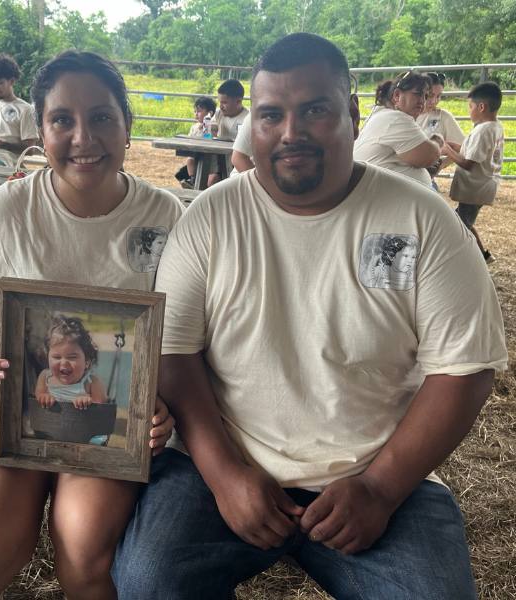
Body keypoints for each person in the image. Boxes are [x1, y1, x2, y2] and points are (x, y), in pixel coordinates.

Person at [114, 33, 507, 599]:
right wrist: (225, 476)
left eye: (315, 110)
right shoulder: (210, 217)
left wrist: (379, 487)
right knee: (148, 583)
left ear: (351, 113)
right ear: (255, 125)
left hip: (377, 471)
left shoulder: (425, 220)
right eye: (271, 114)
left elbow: (465, 370)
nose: (291, 132)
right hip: (221, 464)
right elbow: (175, 353)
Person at [0, 50, 182, 600]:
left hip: (110, 409)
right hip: (3, 389)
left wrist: (157, 397)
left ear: (128, 126)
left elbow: (184, 327)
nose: (84, 137)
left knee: (85, 545)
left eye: (102, 117)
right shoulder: (2, 213)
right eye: (63, 119)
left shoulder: (169, 217)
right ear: (41, 129)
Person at [443, 82, 504, 264]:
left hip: (475, 187)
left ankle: (474, 260)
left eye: (470, 107)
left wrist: (448, 151)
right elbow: (478, 154)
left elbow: (469, 163)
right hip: (482, 185)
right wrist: (458, 147)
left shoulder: (483, 130)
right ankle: (484, 255)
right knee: (463, 220)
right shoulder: (495, 126)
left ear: (481, 107)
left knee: (460, 225)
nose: (469, 111)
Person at [354, 70, 442, 187]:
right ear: (397, 95)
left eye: (425, 96)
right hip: (379, 197)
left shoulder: (382, 115)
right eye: (418, 94)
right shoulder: (396, 118)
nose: (422, 101)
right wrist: (437, 141)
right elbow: (429, 157)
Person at [35, 315, 107, 409]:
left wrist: (88, 402)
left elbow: (102, 408)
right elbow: (38, 396)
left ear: (87, 361)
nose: (64, 363)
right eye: (57, 357)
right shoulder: (45, 377)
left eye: (72, 357)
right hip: (51, 422)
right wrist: (44, 397)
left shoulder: (92, 383)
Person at [207, 78, 249, 186]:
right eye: (220, 102)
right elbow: (210, 134)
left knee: (213, 180)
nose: (221, 106)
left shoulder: (247, 118)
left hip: (234, 162)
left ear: (238, 101)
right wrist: (211, 129)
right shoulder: (218, 114)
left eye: (224, 102)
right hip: (217, 158)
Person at [174, 95, 216, 188]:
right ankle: (192, 180)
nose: (196, 114)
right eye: (195, 111)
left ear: (210, 113)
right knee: (190, 159)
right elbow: (189, 140)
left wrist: (207, 127)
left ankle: (195, 183)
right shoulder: (194, 127)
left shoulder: (214, 126)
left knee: (211, 180)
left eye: (199, 111)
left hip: (212, 160)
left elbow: (211, 138)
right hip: (196, 157)